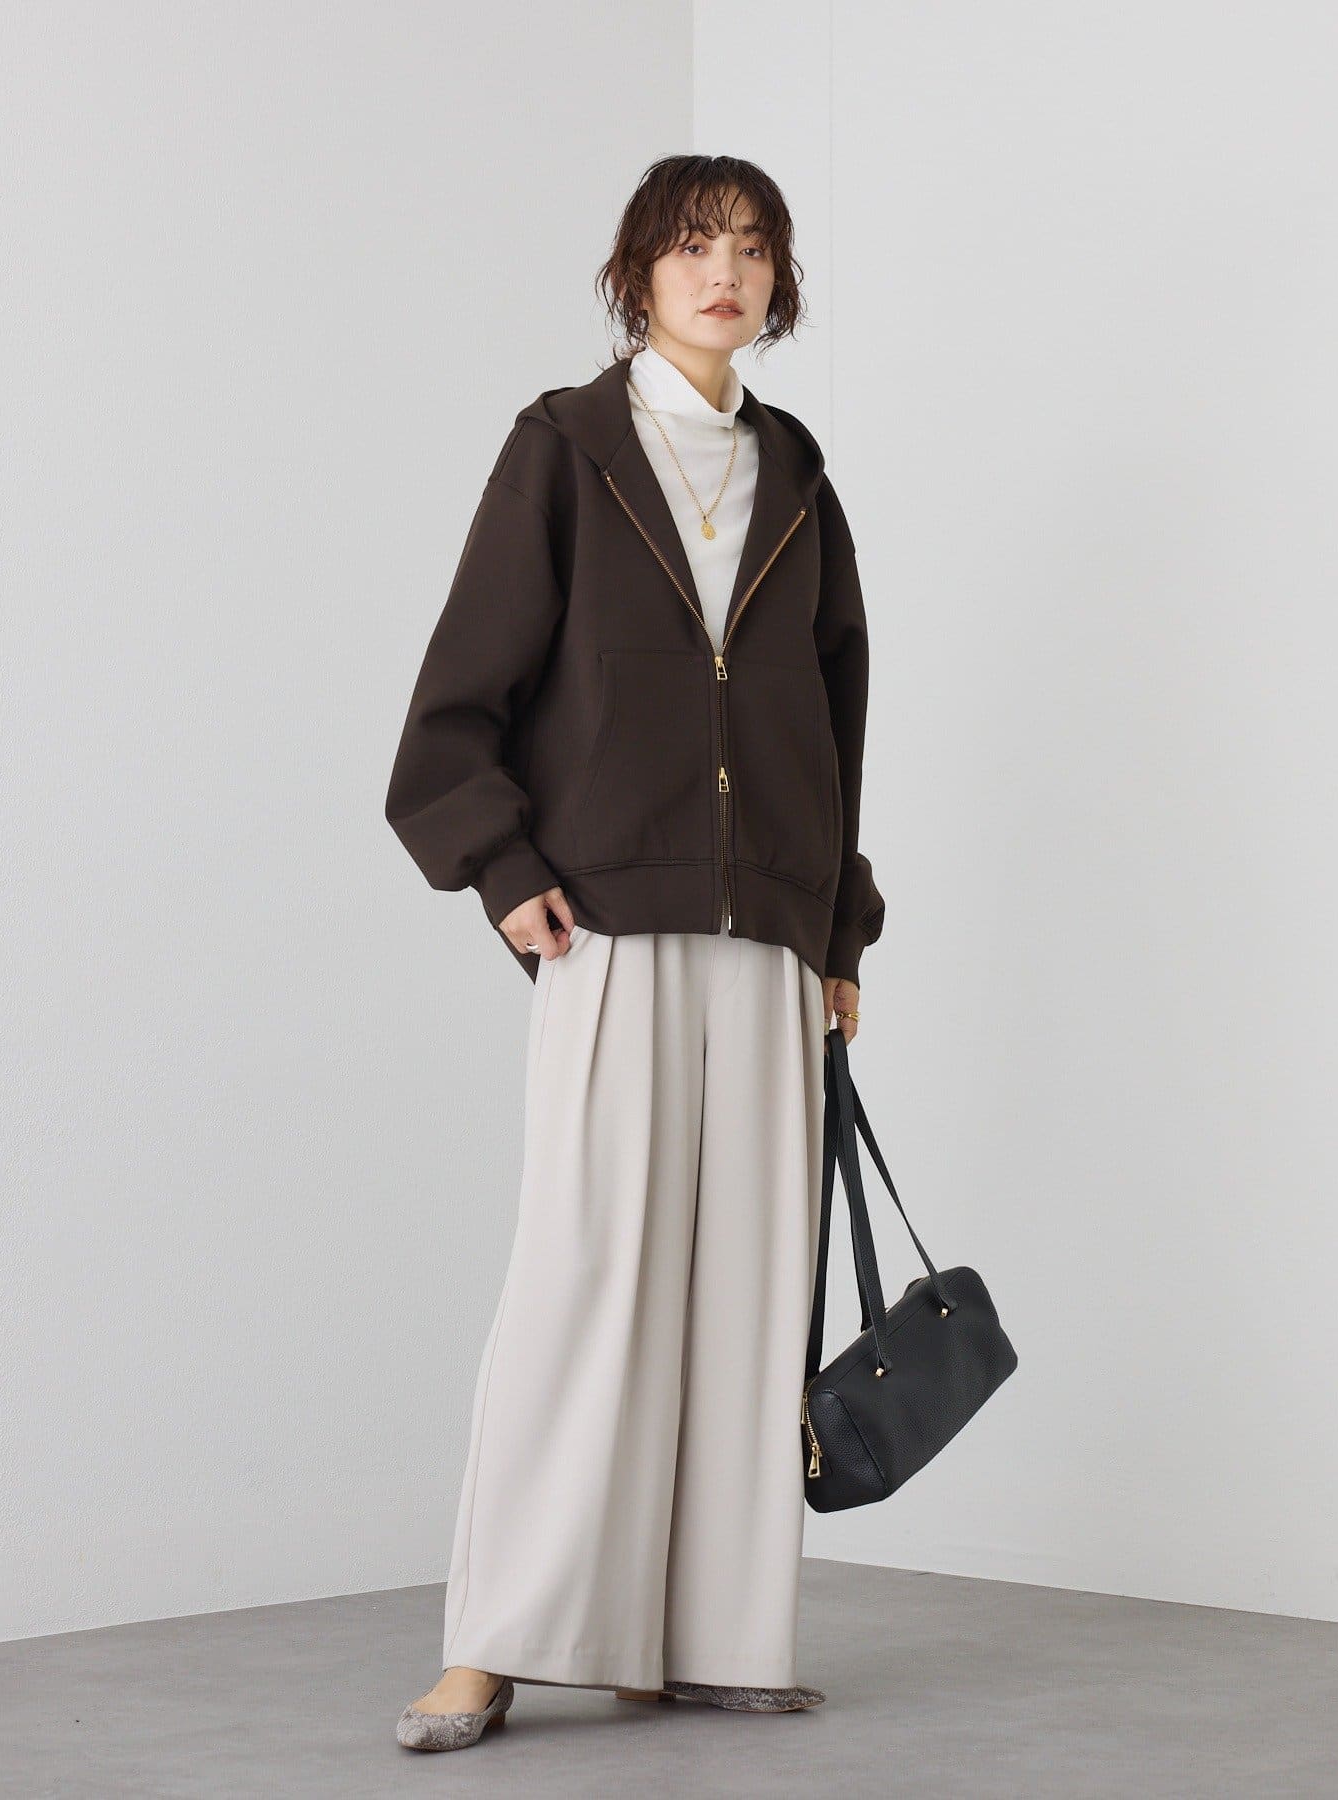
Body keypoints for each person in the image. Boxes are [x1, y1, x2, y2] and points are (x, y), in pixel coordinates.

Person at [384, 153, 884, 1752]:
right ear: (637, 275)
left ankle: (709, 1638)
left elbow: (832, 718)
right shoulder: (567, 447)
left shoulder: (796, 471)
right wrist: (500, 861)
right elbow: (461, 688)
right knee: (584, 1276)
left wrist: (839, 924)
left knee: (748, 1290)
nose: (722, 272)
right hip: (609, 914)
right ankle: (497, 1641)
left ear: (778, 278)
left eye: (750, 247)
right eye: (690, 246)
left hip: (771, 929)